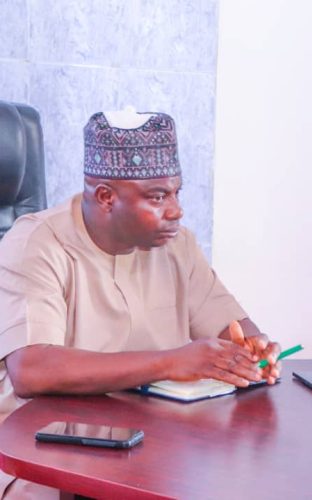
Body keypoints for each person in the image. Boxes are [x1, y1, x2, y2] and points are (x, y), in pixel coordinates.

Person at [0, 109, 281, 496]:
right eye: (158, 196)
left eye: (177, 193)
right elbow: (32, 370)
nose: (176, 210)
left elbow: (230, 326)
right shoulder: (37, 243)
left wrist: (255, 351)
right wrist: (172, 361)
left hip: (147, 445)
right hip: (43, 449)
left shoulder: (177, 244)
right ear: (106, 197)